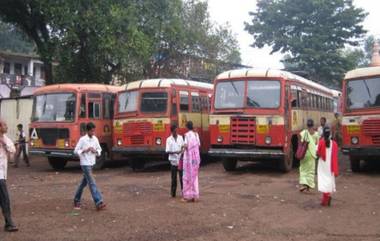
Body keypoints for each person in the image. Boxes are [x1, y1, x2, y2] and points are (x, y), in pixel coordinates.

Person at [73, 122, 106, 211]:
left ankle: (76, 199)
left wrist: (95, 151)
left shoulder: (95, 139)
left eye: (94, 131)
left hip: (92, 163)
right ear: (87, 131)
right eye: (91, 131)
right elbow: (75, 151)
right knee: (92, 182)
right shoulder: (82, 139)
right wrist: (85, 150)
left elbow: (100, 150)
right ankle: (98, 201)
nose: (93, 132)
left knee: (83, 183)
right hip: (85, 163)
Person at [0, 120, 18, 232]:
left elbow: (12, 151)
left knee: (4, 199)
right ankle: (9, 223)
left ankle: (9, 223)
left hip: (2, 172)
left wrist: (3, 143)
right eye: (4, 125)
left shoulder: (6, 139)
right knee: (4, 198)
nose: (6, 127)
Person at [317, 126, 339, 206]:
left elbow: (318, 153)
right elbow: (336, 154)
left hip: (323, 165)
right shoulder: (334, 144)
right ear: (329, 133)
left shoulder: (321, 141)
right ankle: (327, 196)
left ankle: (325, 199)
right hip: (331, 165)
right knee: (329, 180)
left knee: (323, 181)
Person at [182, 121, 201, 202]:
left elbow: (186, 146)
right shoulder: (196, 134)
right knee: (195, 177)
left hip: (188, 160)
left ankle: (187, 196)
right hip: (195, 159)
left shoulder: (186, 135)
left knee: (187, 177)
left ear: (186, 127)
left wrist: (182, 147)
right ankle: (195, 196)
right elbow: (199, 145)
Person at [299, 119, 319, 192]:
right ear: (313, 125)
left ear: (307, 125)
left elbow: (301, 142)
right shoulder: (316, 134)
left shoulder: (304, 132)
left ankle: (304, 184)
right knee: (311, 170)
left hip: (305, 154)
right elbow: (317, 144)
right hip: (312, 154)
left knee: (304, 169)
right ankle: (308, 185)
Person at [165, 124, 184, 198]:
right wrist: (176, 152)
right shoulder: (168, 139)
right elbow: (167, 151)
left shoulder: (180, 138)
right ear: (172, 131)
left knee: (182, 178)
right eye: (175, 131)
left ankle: (184, 192)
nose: (176, 132)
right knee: (173, 179)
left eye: (177, 130)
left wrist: (182, 152)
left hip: (180, 161)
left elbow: (183, 147)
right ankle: (173, 193)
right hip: (173, 161)